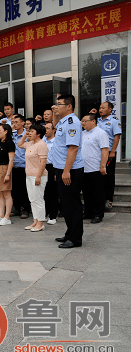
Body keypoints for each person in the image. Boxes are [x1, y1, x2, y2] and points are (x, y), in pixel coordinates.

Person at [51, 94, 84, 249]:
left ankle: (76, 238)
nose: (56, 106)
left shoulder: (72, 123)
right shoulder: (64, 122)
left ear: (69, 106)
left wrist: (66, 171)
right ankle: (70, 233)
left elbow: (73, 148)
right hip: (61, 168)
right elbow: (55, 128)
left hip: (70, 170)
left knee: (73, 204)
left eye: (59, 104)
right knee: (65, 204)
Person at [18, 124, 49, 232]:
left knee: (38, 199)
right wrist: (24, 136)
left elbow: (43, 162)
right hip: (29, 175)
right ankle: (35, 221)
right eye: (29, 131)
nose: (29, 133)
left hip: (38, 175)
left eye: (32, 131)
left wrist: (38, 176)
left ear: (39, 134)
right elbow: (20, 144)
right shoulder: (30, 143)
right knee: (32, 199)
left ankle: (40, 223)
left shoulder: (42, 144)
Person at [92, 102, 122, 210]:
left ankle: (109, 199)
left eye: (103, 108)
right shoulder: (96, 120)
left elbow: (116, 137)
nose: (100, 109)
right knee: (97, 176)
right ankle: (100, 198)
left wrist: (113, 151)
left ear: (110, 109)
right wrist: (92, 115)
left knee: (108, 176)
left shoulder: (114, 121)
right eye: (100, 107)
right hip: (96, 153)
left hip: (108, 152)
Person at [81, 114, 109, 224]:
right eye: (82, 121)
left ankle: (98, 214)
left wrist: (103, 166)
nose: (83, 123)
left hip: (95, 168)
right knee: (86, 193)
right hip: (84, 168)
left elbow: (105, 150)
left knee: (97, 193)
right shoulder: (82, 133)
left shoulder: (100, 133)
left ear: (93, 121)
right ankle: (88, 212)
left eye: (85, 121)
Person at [11, 115, 31, 219]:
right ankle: (17, 208)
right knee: (15, 189)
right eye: (13, 122)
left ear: (23, 123)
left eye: (16, 122)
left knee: (25, 189)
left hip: (25, 165)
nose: (14, 124)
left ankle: (26, 209)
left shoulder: (27, 135)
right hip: (14, 165)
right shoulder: (12, 135)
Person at [43, 122, 58, 225]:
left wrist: (57, 172)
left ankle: (53, 216)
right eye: (45, 128)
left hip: (54, 167)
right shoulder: (42, 141)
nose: (46, 130)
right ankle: (45, 213)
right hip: (43, 167)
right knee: (44, 192)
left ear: (54, 130)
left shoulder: (57, 142)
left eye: (48, 128)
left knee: (53, 193)